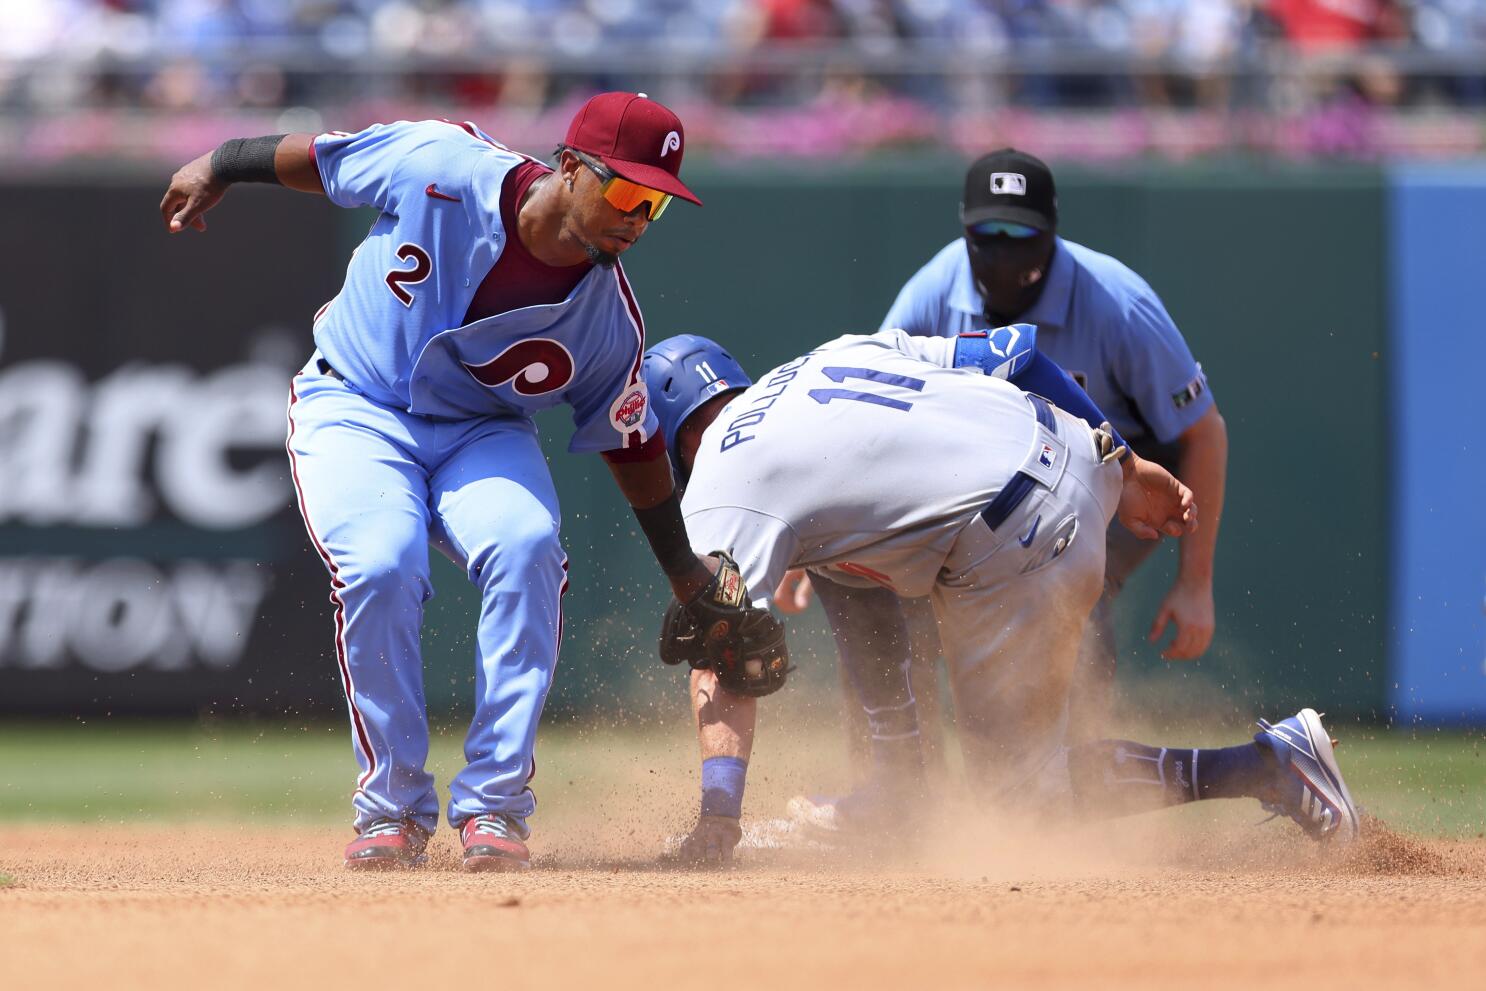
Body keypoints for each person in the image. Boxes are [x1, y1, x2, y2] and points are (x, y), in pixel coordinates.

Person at [159, 92, 737, 872]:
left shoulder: (604, 317)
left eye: (656, 206)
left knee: (529, 545)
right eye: (627, 191)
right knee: (382, 565)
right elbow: (324, 159)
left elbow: (633, 447)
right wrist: (222, 162)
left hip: (482, 430)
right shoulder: (442, 163)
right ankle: (391, 807)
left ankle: (495, 805)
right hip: (356, 403)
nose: (637, 218)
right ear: (571, 168)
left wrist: (685, 576)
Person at [641, 329, 1356, 865]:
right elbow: (1015, 354)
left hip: (1010, 530)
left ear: (671, 442)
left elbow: (721, 649)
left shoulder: (717, 484)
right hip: (1072, 452)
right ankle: (898, 793)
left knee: (1015, 800)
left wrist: (718, 819)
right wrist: (1127, 462)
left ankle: (1268, 766)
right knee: (853, 581)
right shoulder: (829, 355)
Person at [776, 147, 1229, 750]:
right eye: (989, 231)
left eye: (1022, 231)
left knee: (1062, 605)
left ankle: (1070, 785)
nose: (1005, 245)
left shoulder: (1117, 303)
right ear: (966, 229)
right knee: (879, 602)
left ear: (1051, 232)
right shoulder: (935, 290)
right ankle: (895, 804)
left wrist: (1195, 584)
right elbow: (867, 411)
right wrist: (831, 538)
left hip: (1114, 477)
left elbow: (1203, 432)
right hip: (974, 478)